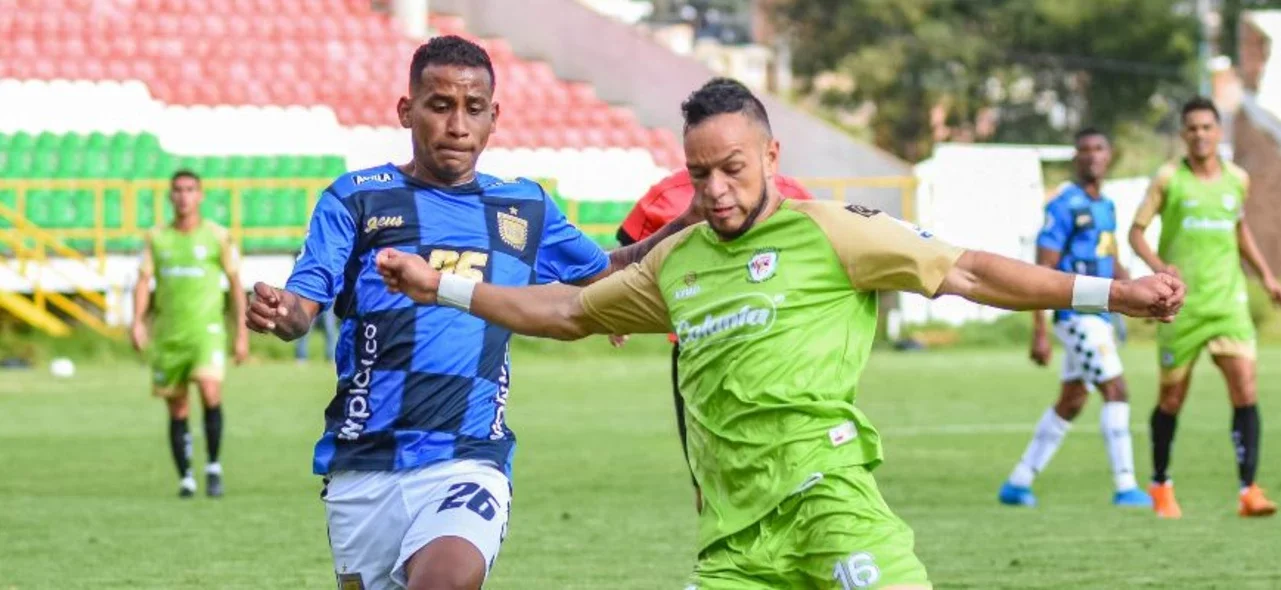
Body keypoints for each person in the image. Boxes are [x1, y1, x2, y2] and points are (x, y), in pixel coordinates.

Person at [375, 78, 1186, 589]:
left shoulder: (835, 232)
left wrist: (1114, 291)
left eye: (732, 167)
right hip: (732, 539)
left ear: (770, 153)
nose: (716, 190)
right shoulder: (679, 261)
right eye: (699, 174)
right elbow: (565, 312)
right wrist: (442, 286)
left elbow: (970, 271)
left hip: (829, 500)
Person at [244, 36, 695, 590]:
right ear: (407, 111)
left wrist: (688, 222)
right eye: (440, 106)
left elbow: (605, 269)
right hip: (365, 465)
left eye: (473, 109)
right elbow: (301, 308)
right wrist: (278, 310)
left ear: (494, 116)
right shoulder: (358, 199)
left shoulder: (522, 206)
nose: (458, 125)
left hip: (469, 458)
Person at [615, 168, 813, 512]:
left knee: (791, 473)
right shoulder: (667, 194)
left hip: (776, 353)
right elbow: (630, 251)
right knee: (709, 485)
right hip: (698, 355)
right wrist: (619, 312)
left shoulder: (791, 194)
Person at [1128, 96, 1281, 519]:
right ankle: (1160, 485)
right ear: (1183, 134)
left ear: (1218, 132)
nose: (1199, 134)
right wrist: (1160, 271)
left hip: (1227, 303)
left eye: (1206, 127)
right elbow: (1136, 234)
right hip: (1182, 306)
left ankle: (1249, 490)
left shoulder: (1237, 179)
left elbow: (1239, 228)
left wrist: (1267, 275)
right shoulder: (1168, 179)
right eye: (1191, 128)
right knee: (1172, 398)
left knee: (1246, 389)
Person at [997, 128, 1150, 508]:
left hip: (1100, 316)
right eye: (1084, 150)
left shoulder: (1107, 206)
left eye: (1098, 148)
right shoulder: (1063, 205)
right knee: (1116, 390)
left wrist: (1142, 297)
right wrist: (1040, 332)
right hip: (1077, 316)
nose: (1092, 156)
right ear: (1075, 158)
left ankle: (1018, 482)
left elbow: (1111, 259)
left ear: (1109, 154)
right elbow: (1041, 271)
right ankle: (1126, 486)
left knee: (1073, 399)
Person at [130, 169, 249, 499]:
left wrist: (240, 332)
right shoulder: (156, 238)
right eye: (178, 190)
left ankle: (212, 466)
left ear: (200, 195)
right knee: (177, 406)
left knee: (211, 392)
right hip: (169, 334)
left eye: (190, 190)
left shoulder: (217, 236)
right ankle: (185, 476)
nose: (183, 196)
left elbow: (237, 285)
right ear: (170, 195)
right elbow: (143, 282)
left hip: (206, 332)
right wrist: (137, 322)